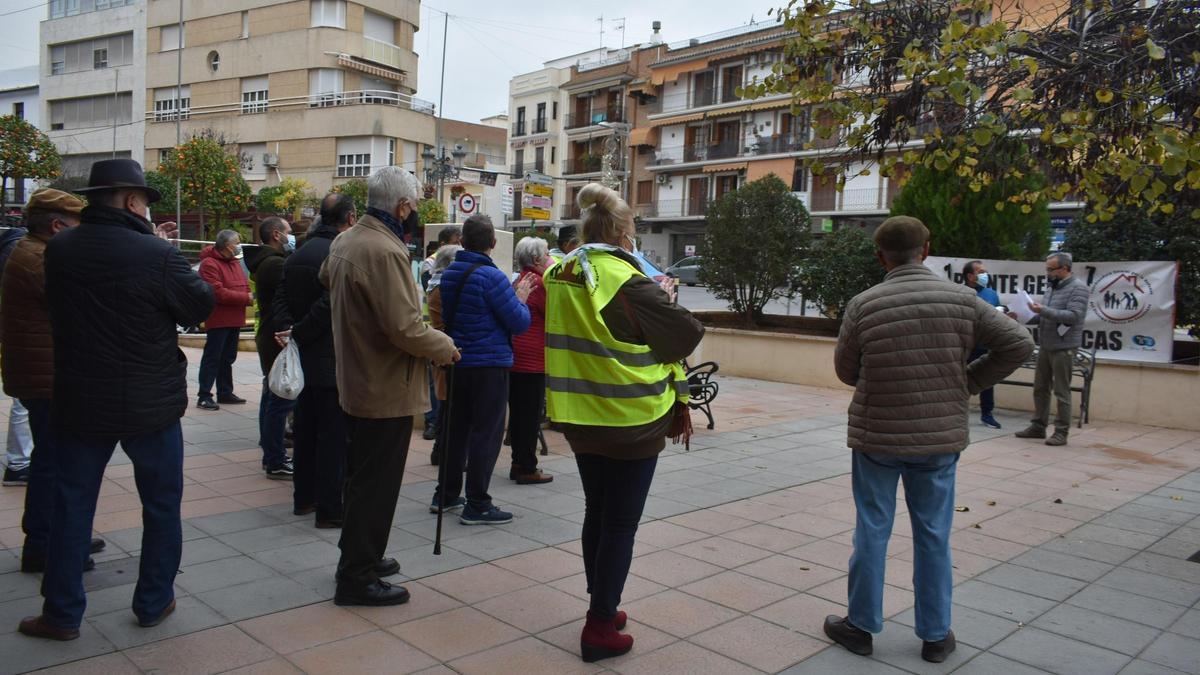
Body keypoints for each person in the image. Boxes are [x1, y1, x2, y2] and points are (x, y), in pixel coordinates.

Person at [19, 158, 214, 641]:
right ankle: (153, 601)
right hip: (151, 402)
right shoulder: (156, 253)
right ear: (132, 200)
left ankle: (61, 614)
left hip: (81, 399)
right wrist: (162, 252)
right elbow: (198, 305)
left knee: (72, 506)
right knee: (161, 505)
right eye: (146, 201)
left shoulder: (60, 250)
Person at [827, 216, 1033, 664]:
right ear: (926, 249)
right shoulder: (965, 299)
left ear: (880, 256)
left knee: (872, 531)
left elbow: (846, 371)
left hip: (877, 436)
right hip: (939, 438)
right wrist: (967, 383)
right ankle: (936, 635)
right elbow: (1018, 343)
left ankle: (860, 627)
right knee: (934, 535)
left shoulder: (865, 304)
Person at [545, 183, 703, 663]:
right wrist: (665, 297)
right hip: (631, 416)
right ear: (623, 232)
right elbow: (685, 334)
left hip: (579, 412)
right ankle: (599, 626)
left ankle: (603, 605)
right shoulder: (625, 280)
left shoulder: (561, 271)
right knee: (620, 522)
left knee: (598, 511)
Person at [320, 167, 459, 607]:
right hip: (383, 386)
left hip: (359, 379)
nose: (415, 213)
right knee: (376, 486)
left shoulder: (348, 239)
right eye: (414, 205)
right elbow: (405, 328)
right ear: (402, 206)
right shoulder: (385, 250)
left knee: (363, 480)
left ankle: (362, 556)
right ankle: (357, 576)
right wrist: (446, 346)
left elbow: (327, 278)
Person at [0, 189, 108, 574]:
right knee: (54, 463)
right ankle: (45, 545)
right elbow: (80, 301)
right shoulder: (39, 257)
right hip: (47, 376)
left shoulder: (37, 251)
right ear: (58, 226)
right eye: (79, 225)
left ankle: (60, 535)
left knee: (54, 459)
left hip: (45, 372)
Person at [431, 214, 533, 526]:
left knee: (456, 430)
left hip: (457, 360)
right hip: (488, 364)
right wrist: (521, 298)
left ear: (462, 241)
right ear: (493, 243)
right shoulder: (493, 277)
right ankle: (477, 502)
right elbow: (519, 322)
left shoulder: (449, 275)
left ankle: (446, 495)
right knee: (486, 434)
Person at [273, 194, 356, 528]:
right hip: (331, 358)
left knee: (305, 434)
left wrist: (288, 332)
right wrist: (302, 331)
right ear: (349, 217)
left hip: (303, 361)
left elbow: (279, 298)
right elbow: (330, 303)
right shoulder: (339, 254)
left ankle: (303, 499)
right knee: (333, 438)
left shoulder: (297, 255)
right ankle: (330, 509)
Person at [1014, 252, 1090, 446]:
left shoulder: (1079, 288)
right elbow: (1045, 316)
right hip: (1046, 345)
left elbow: (1073, 316)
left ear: (1064, 268)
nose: (1047, 273)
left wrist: (1043, 310)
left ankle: (1061, 432)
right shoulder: (1052, 288)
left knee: (1061, 391)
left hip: (1064, 347)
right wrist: (1023, 316)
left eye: (1051, 269)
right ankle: (1038, 426)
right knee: (1040, 388)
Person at [247, 217, 296, 478]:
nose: (291, 236)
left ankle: (271, 452)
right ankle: (275, 458)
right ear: (276, 235)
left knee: (271, 394)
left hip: (267, 335)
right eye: (288, 232)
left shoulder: (264, 261)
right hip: (275, 337)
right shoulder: (275, 264)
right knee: (279, 399)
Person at [507, 236, 553, 485]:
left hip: (516, 358)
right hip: (532, 360)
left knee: (519, 415)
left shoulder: (520, 279)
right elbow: (553, 316)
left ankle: (519, 462)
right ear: (537, 259)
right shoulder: (540, 282)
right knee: (529, 416)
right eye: (546, 254)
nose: (549, 259)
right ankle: (526, 466)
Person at [196, 229, 253, 411]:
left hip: (235, 317)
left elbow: (243, 285)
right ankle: (204, 395)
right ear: (228, 246)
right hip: (219, 318)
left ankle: (225, 392)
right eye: (237, 242)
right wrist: (246, 298)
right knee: (213, 357)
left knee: (228, 357)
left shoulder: (234, 262)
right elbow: (217, 292)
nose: (239, 245)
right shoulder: (209, 264)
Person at [0, 223, 33, 487]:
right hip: (32, 344)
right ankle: (19, 463)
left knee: (25, 402)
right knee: (25, 404)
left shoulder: (16, 249)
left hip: (22, 341)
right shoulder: (27, 254)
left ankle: (20, 461)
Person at [424, 243, 461, 466]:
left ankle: (440, 451)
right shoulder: (443, 286)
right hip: (445, 347)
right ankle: (442, 452)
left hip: (437, 347)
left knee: (446, 403)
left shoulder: (433, 282)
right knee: (448, 406)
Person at [962, 260, 1003, 429]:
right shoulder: (961, 293)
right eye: (981, 272)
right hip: (965, 345)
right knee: (960, 380)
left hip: (986, 345)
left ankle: (987, 414)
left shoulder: (991, 294)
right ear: (970, 276)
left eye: (985, 271)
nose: (985, 275)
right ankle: (959, 412)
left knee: (987, 381)